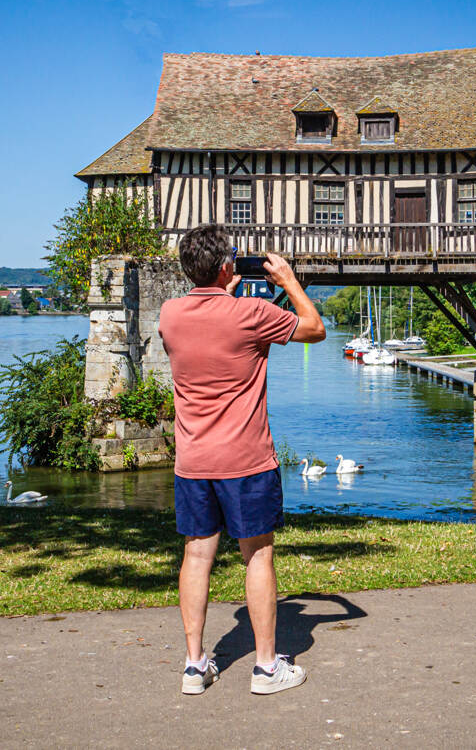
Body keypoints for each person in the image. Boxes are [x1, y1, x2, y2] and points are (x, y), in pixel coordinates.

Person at [157, 224, 326, 696]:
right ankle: (267, 668)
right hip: (246, 461)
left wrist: (221, 288)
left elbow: (207, 324)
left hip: (193, 461)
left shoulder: (169, 315)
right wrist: (290, 282)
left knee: (196, 556)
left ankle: (195, 666)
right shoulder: (252, 313)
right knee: (258, 557)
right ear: (228, 266)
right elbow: (315, 328)